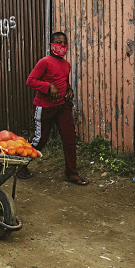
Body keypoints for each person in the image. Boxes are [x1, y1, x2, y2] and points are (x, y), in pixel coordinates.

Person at [25, 32, 89, 185]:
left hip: (62, 106)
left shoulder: (66, 65)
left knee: (69, 139)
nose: (62, 46)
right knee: (40, 140)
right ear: (51, 45)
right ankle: (20, 165)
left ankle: (71, 173)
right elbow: (30, 81)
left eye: (64, 43)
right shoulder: (44, 62)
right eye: (58, 43)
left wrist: (69, 90)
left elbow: (63, 82)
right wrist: (48, 87)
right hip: (45, 107)